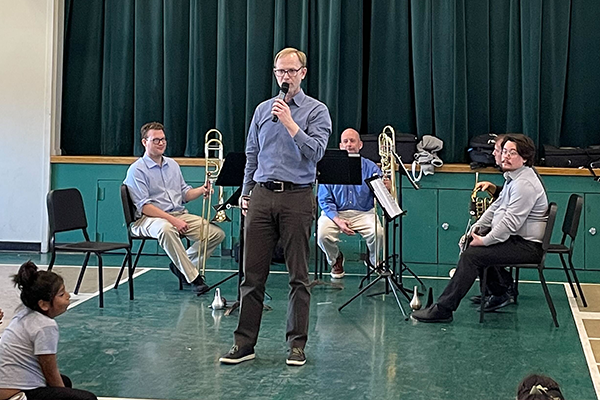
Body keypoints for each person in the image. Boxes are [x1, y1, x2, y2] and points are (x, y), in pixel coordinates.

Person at [219, 48, 331, 366]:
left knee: (299, 276)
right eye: (280, 72)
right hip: (261, 195)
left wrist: (291, 123)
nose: (285, 77)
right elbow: (252, 155)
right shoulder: (262, 110)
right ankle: (244, 344)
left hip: (297, 196)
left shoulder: (316, 111)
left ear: (303, 73)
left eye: (291, 71)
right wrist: (246, 191)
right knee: (251, 276)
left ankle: (296, 345)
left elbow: (317, 152)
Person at [412, 134, 548, 322]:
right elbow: (496, 208)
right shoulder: (514, 178)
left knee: (472, 255)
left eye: (512, 153)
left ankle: (443, 309)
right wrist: (476, 228)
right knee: (473, 244)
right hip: (518, 240)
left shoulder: (524, 184)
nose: (505, 157)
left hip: (527, 247)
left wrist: (484, 240)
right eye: (505, 151)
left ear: (525, 157)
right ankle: (499, 292)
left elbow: (510, 223)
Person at [124, 122, 226, 295]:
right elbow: (145, 207)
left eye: (163, 139)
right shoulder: (137, 170)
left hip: (177, 214)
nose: (161, 143)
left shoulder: (172, 165)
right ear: (144, 142)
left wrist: (202, 190)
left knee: (216, 234)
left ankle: (182, 266)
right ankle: (194, 278)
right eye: (156, 140)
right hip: (147, 219)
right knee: (166, 229)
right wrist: (173, 221)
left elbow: (184, 194)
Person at [0, 261, 97, 400]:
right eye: (62, 294)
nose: (68, 295)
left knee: (66, 382)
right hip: (14, 393)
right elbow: (49, 370)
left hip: (7, 384)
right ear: (43, 304)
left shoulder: (24, 312)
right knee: (87, 399)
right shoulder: (44, 325)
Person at [317, 128, 385, 278]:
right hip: (335, 213)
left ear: (360, 145)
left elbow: (379, 195)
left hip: (363, 212)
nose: (349, 144)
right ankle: (335, 259)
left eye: (352, 141)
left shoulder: (371, 167)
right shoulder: (330, 167)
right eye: (345, 141)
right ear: (341, 146)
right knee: (322, 234)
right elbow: (324, 199)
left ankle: (374, 261)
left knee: (378, 233)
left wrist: (384, 187)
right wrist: (337, 220)